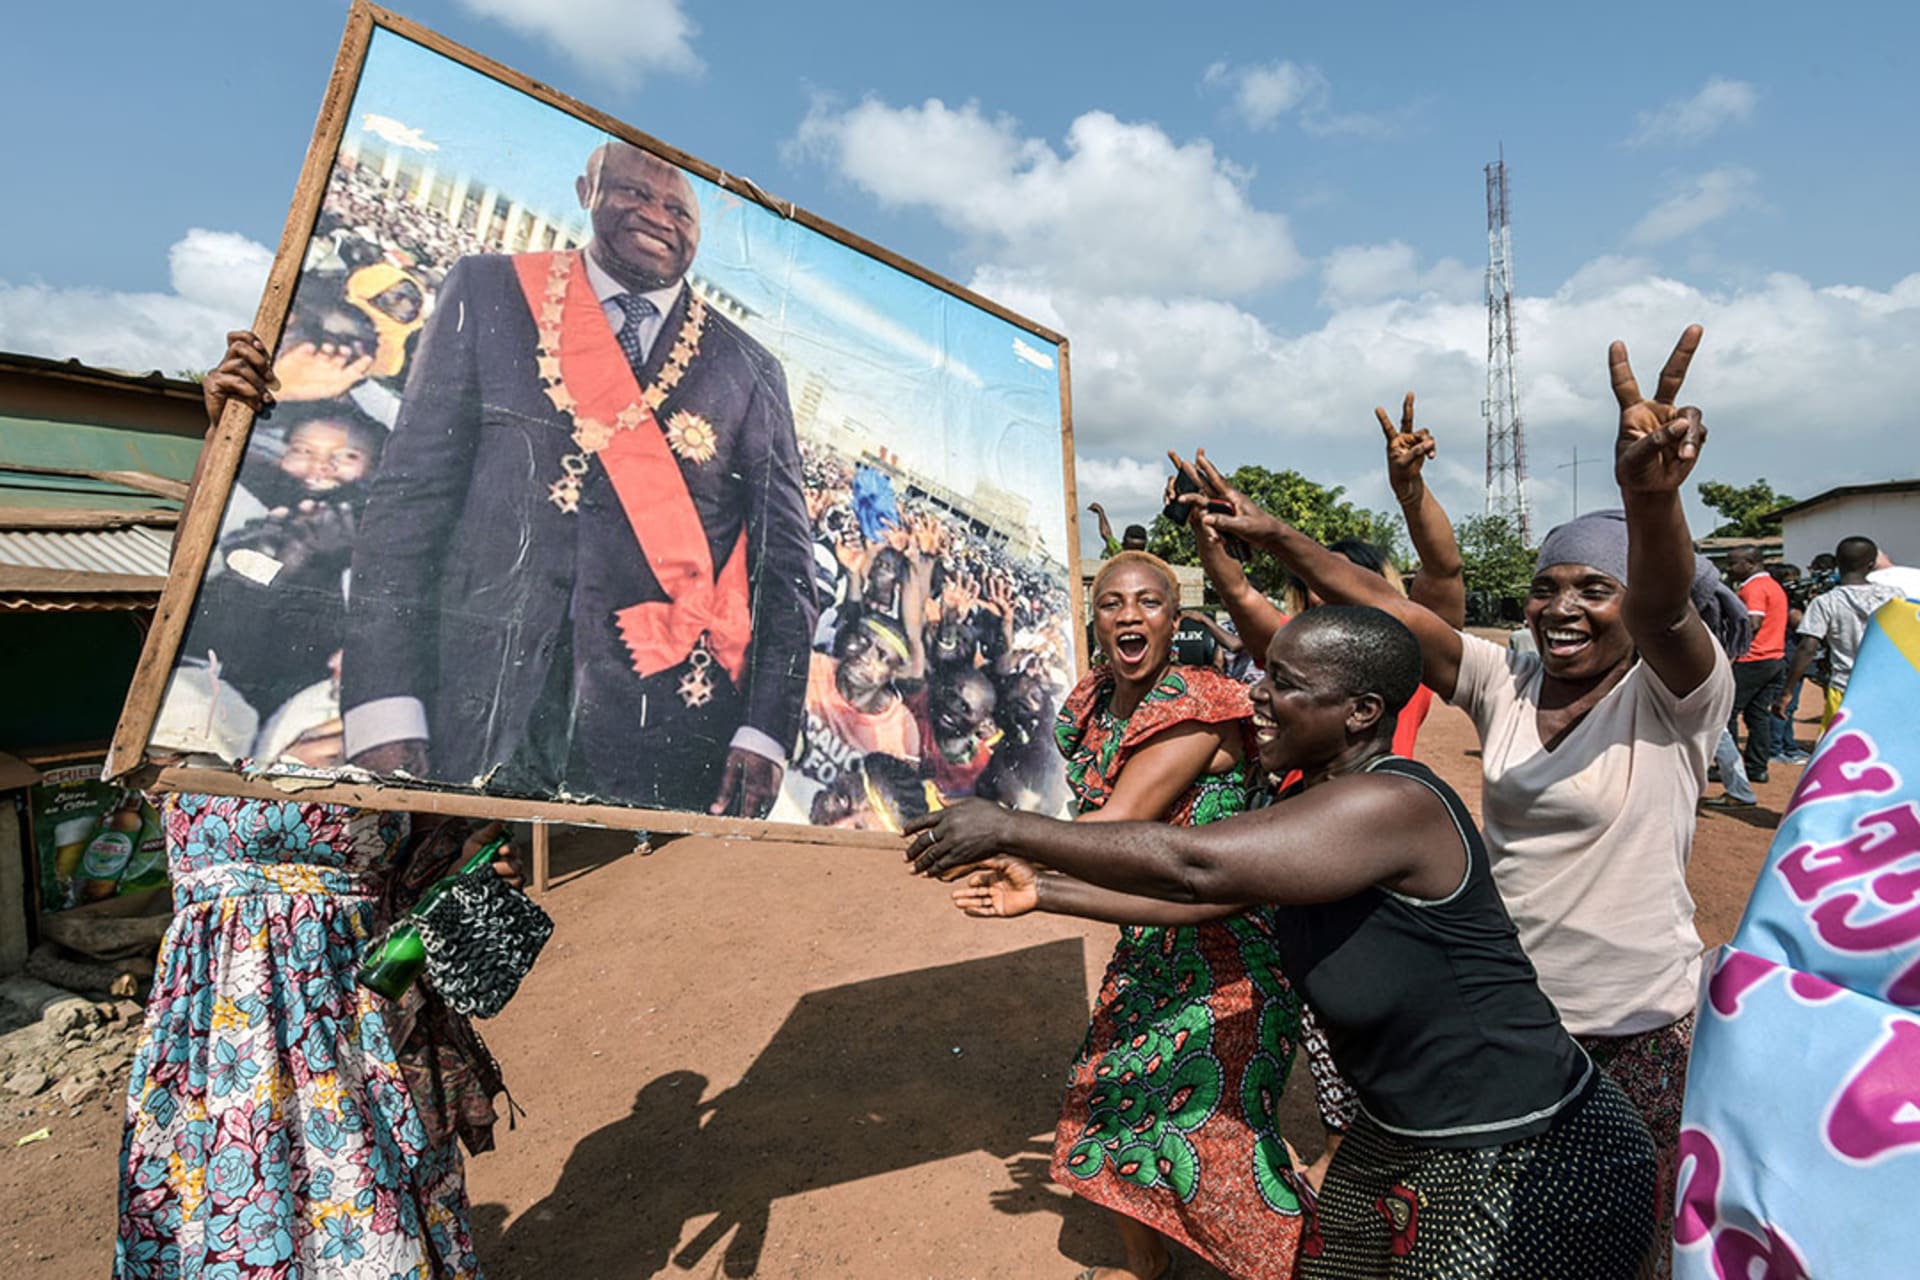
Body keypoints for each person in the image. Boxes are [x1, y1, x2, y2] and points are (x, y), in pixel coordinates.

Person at [1168, 327, 1739, 1275]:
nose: (1561, 608)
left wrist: (1651, 496)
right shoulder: (1505, 680)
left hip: (1637, 1022)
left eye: (1595, 589)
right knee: (1490, 1246)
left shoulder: (1677, 696)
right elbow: (1392, 613)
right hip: (1510, 1028)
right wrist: (1274, 537)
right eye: (1547, 587)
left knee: (1624, 1247)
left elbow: (1669, 608)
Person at [912, 607, 1657, 1278]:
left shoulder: (1392, 804)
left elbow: (1195, 863)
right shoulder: (1311, 804)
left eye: (1286, 684)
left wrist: (1012, 826)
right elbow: (1198, 897)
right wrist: (1041, 888)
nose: (1256, 696)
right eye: (1264, 676)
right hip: (1403, 1135)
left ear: (1362, 711)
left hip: (1526, 1152)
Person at [340, 140, 817, 817]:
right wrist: (383, 706)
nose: (657, 215)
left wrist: (766, 730)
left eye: (678, 209)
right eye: (635, 192)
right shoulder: (489, 288)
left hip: (662, 738)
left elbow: (788, 573)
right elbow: (410, 499)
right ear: (585, 190)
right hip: (471, 705)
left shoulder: (749, 369)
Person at [947, 550, 1305, 1280]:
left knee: (1219, 1144)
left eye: (1148, 602)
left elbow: (1114, 827)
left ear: (1176, 619)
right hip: (1146, 951)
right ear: (1094, 618)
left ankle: (1296, 1265)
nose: (1130, 615)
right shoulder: (1090, 702)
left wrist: (1013, 848)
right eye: (1113, 603)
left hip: (1229, 958)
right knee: (1104, 1109)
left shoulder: (1197, 706)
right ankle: (1147, 1267)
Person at [1777, 536, 1902, 732]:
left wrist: (1787, 691)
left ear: (1838, 563)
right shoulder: (1895, 597)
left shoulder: (1825, 602)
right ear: (1871, 565)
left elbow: (1807, 648)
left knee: (1840, 748)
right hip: (1888, 686)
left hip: (1844, 687)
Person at [1720, 544, 1789, 784]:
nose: (1729, 568)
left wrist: (1730, 652)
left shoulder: (1754, 588)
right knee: (1757, 715)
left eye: (1732, 563)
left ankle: (1729, 767)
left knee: (1725, 713)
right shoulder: (1772, 585)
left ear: (1749, 563)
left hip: (1752, 659)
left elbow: (1753, 623)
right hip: (1773, 658)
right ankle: (1757, 767)